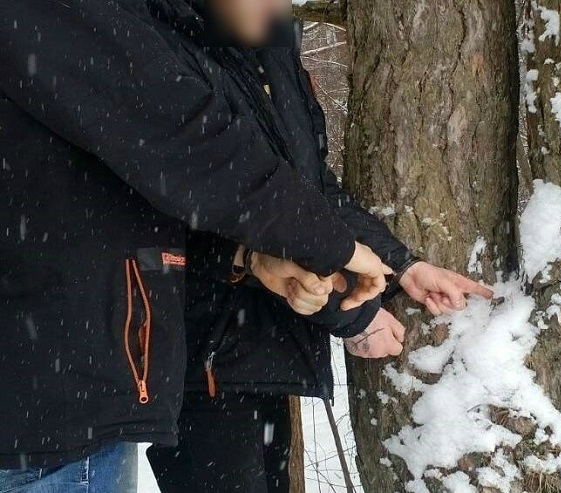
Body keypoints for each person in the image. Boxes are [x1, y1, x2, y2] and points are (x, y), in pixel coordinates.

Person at [0, 0, 394, 490]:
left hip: (62, 391)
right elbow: (182, 139)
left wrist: (250, 256)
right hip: (56, 401)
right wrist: (331, 250)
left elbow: (120, 187)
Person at [145, 1, 493, 492]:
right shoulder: (154, 40)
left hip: (265, 348)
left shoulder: (271, 45)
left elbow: (308, 189)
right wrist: (350, 312)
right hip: (197, 352)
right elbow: (189, 209)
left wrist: (400, 266)